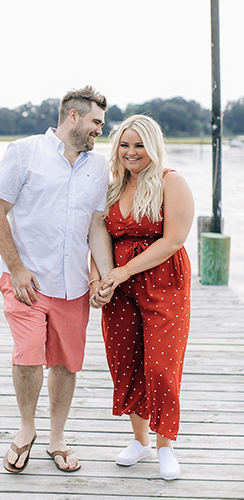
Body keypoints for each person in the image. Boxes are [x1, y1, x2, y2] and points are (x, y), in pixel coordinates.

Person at [0, 86, 114, 474]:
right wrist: (17, 266)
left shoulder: (99, 166)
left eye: (102, 125)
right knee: (28, 356)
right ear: (72, 116)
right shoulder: (24, 152)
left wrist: (103, 278)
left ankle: (57, 438)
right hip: (26, 282)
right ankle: (26, 429)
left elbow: (95, 226)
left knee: (66, 364)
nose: (100, 131)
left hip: (74, 286)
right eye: (95, 122)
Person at [89, 114, 194, 480]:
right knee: (126, 361)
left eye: (139, 145)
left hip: (164, 282)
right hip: (118, 288)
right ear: (116, 147)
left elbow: (174, 240)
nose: (131, 153)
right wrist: (97, 280)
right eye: (124, 145)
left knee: (162, 367)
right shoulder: (112, 185)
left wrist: (124, 271)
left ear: (153, 147)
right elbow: (98, 235)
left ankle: (165, 445)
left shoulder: (170, 182)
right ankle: (140, 441)